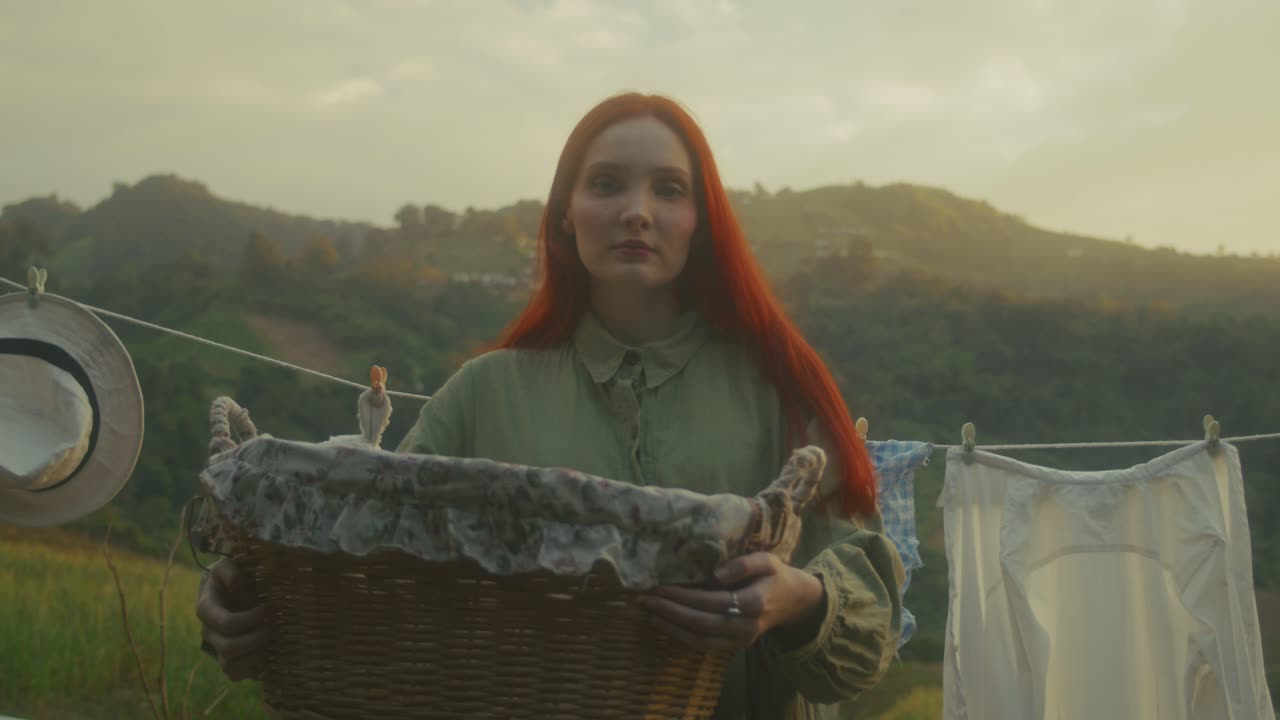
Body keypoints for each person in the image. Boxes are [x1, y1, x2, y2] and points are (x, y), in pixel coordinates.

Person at [196, 92, 905, 719]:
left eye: (668, 189)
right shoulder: (482, 395)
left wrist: (796, 603)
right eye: (606, 184)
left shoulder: (783, 393)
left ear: (702, 220)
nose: (637, 211)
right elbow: (367, 564)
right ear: (566, 216)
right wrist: (245, 603)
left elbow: (867, 638)